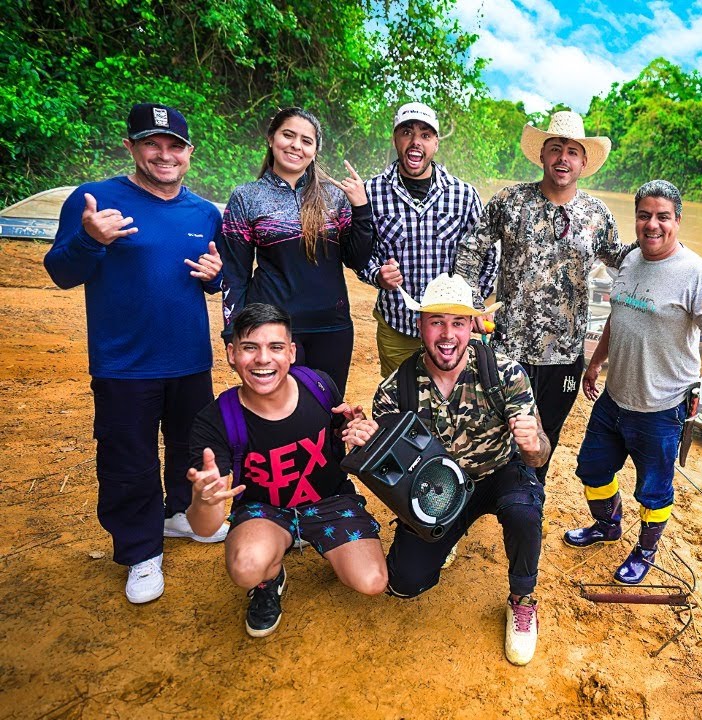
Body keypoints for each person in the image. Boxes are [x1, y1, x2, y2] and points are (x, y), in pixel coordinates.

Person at [44, 103, 228, 604]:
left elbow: (218, 281)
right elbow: (61, 272)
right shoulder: (95, 201)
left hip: (190, 359)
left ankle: (178, 517)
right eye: (152, 143)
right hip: (124, 364)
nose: (163, 155)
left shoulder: (204, 213)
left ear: (189, 153)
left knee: (192, 450)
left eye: (174, 146)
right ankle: (141, 551)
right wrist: (88, 239)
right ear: (131, 147)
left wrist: (218, 279)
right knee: (129, 461)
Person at [372, 273, 550, 666]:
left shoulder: (506, 375)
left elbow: (539, 458)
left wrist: (533, 444)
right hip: (438, 490)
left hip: (498, 473)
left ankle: (522, 598)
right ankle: (448, 532)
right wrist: (369, 445)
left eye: (457, 322)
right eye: (436, 321)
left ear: (473, 325)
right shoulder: (394, 390)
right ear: (419, 325)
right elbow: (391, 475)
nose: (447, 334)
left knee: (524, 511)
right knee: (404, 583)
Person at [565, 180, 702, 584]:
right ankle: (608, 526)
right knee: (591, 469)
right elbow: (618, 317)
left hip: (661, 407)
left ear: (677, 220)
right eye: (644, 215)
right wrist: (596, 362)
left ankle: (645, 549)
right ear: (636, 218)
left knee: (654, 491)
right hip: (615, 397)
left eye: (662, 216)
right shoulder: (629, 260)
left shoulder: (695, 273)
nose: (652, 225)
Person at [186, 303, 388, 637]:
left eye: (275, 347)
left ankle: (319, 541)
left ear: (292, 352)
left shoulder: (319, 386)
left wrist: (360, 430)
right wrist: (205, 501)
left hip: (330, 501)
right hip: (265, 511)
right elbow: (204, 527)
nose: (263, 359)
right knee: (246, 567)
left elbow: (344, 433)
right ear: (231, 353)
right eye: (250, 347)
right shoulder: (216, 420)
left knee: (372, 580)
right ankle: (269, 579)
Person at [454, 110, 633, 484]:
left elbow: (625, 264)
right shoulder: (510, 201)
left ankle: (530, 498)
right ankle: (486, 494)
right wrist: (470, 301)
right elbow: (472, 251)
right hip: (507, 347)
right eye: (555, 149)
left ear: (584, 161)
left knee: (544, 437)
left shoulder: (597, 215)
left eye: (572, 151)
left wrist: (664, 251)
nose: (562, 158)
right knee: (496, 428)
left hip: (564, 355)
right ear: (542, 155)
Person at [220, 107, 375, 396]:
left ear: (315, 150)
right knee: (275, 412)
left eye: (306, 141)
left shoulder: (335, 196)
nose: (296, 146)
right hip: (269, 328)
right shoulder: (246, 197)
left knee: (328, 412)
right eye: (288, 135)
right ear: (271, 138)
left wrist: (361, 207)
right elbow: (234, 272)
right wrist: (233, 332)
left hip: (331, 327)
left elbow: (357, 259)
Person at [359, 102, 496, 378]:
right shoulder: (370, 192)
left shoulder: (463, 195)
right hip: (398, 325)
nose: (415, 142)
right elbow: (359, 252)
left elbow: (488, 254)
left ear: (435, 144)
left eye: (425, 135)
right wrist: (377, 275)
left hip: (451, 330)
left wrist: (476, 305)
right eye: (407, 132)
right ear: (395, 138)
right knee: (400, 404)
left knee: (451, 403)